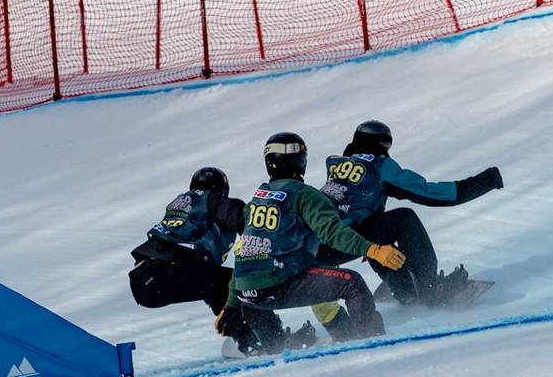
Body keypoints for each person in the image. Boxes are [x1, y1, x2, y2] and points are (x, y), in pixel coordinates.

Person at [220, 132, 406, 343]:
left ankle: (276, 346)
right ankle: (375, 342)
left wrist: (231, 305)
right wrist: (373, 250)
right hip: (279, 285)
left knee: (266, 293)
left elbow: (245, 252)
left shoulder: (257, 199)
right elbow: (332, 232)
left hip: (248, 295)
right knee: (353, 284)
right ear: (301, 162)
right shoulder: (305, 195)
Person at [318, 119, 502, 306]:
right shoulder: (380, 165)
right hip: (348, 238)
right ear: (380, 143)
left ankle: (403, 288)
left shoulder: (334, 164)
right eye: (386, 144)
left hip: (321, 248)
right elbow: (430, 193)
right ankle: (430, 287)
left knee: (376, 230)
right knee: (404, 219)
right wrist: (486, 181)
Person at [130, 167, 295, 355]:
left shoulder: (183, 204)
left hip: (143, 280)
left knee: (219, 284)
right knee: (242, 283)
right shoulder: (212, 200)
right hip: (162, 269)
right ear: (222, 190)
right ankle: (269, 342)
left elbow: (212, 288)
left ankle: (252, 340)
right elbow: (249, 223)